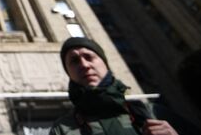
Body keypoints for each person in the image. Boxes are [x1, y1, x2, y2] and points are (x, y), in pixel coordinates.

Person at [49, 37, 183, 135]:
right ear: (68, 73)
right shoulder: (62, 129)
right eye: (74, 61)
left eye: (89, 57)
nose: (84, 65)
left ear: (105, 64)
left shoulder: (155, 114)